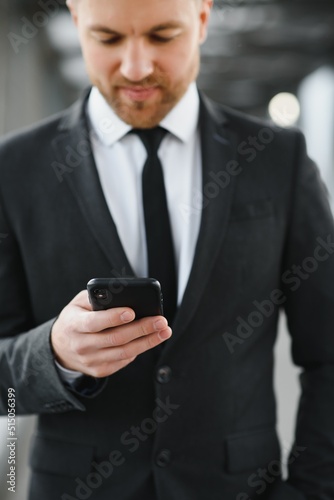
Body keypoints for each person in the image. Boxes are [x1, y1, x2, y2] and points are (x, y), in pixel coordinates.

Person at [0, 0, 333, 498]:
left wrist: (314, 490)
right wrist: (54, 354)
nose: (136, 67)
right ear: (75, 23)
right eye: (109, 39)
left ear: (201, 19)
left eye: (161, 35)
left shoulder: (277, 160)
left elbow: (328, 352)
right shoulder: (14, 169)